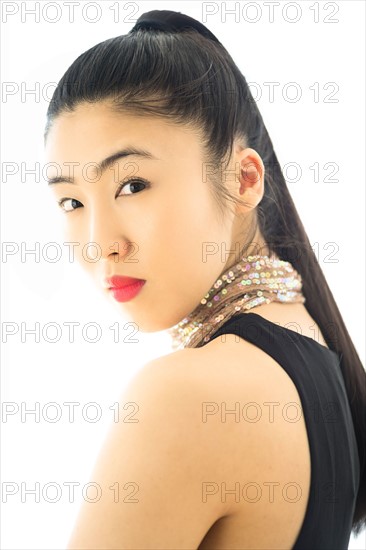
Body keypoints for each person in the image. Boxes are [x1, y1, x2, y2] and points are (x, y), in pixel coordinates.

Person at [43, 10, 365, 550]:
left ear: (244, 178)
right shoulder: (313, 345)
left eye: (133, 184)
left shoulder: (185, 396)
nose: (101, 243)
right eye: (72, 200)